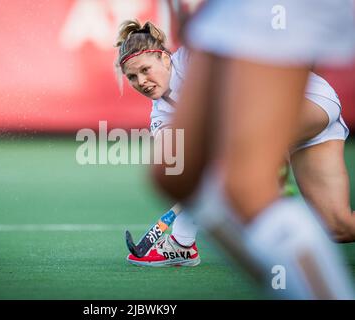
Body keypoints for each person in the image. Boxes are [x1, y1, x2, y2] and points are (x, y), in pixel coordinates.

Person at [117, 1, 355, 299]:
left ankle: (182, 242)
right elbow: (176, 163)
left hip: (310, 103)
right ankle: (187, 244)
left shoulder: (191, 58)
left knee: (236, 169)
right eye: (132, 77)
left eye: (144, 70)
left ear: (165, 58)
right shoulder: (160, 113)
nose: (141, 81)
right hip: (278, 128)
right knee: (338, 226)